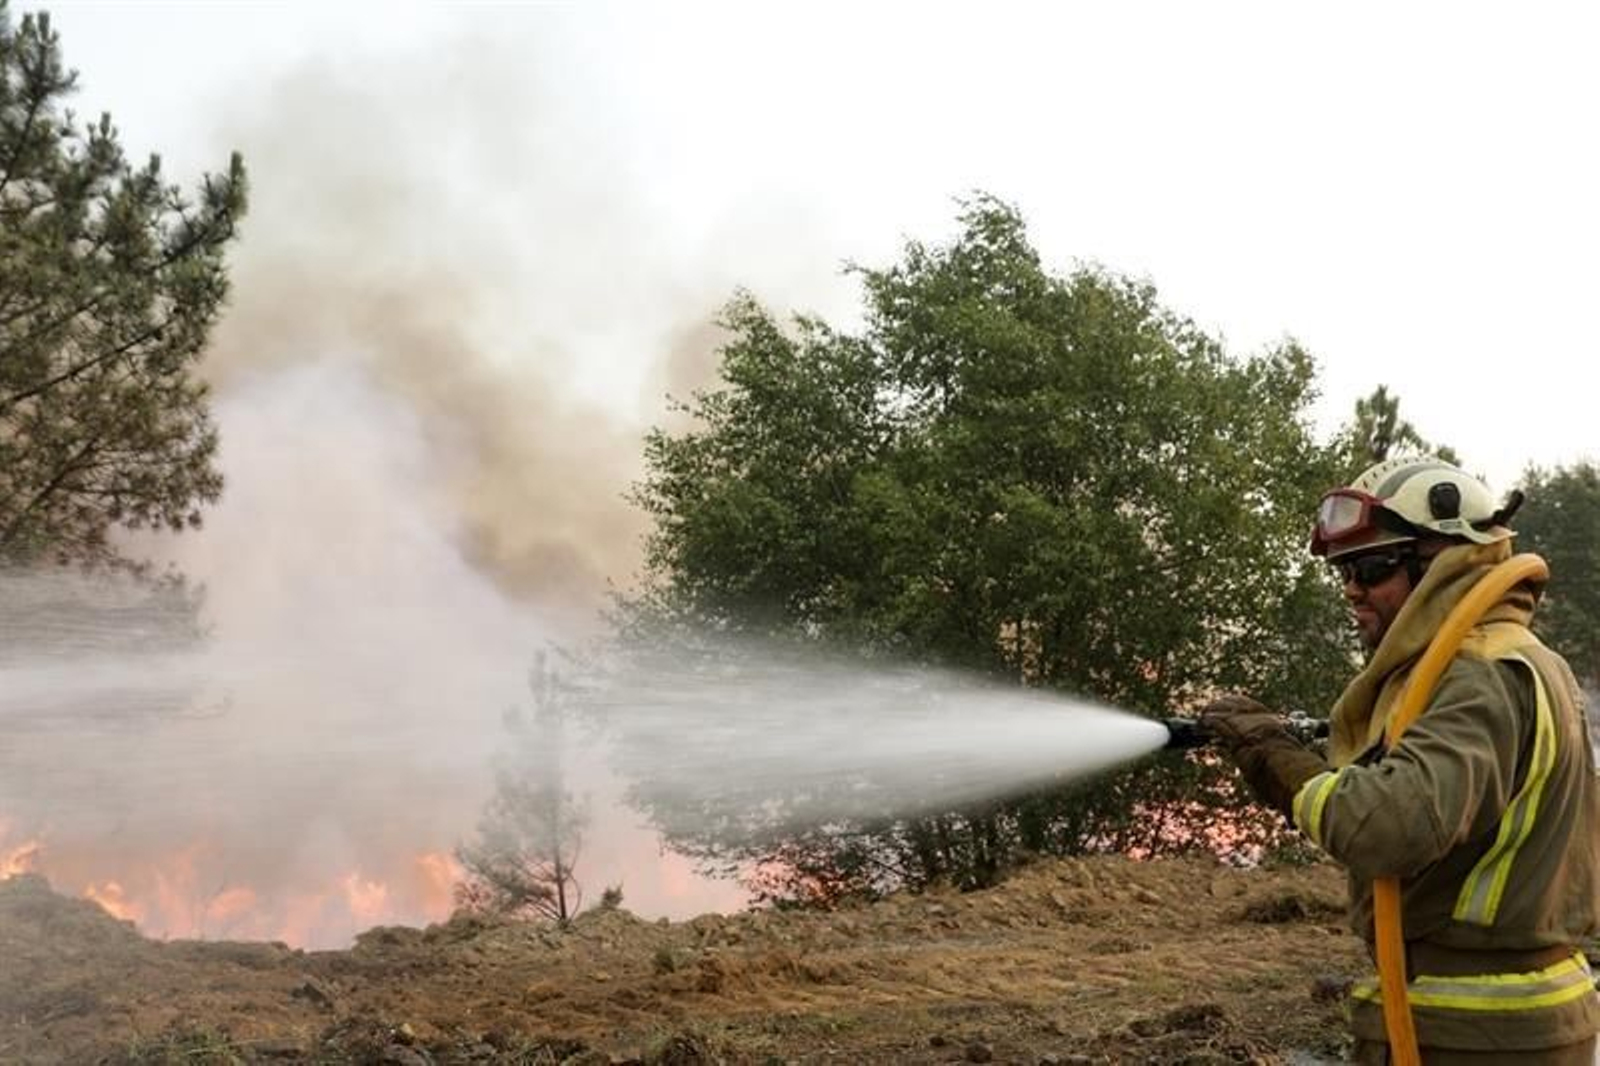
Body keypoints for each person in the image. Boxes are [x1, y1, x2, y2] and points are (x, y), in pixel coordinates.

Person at [1202, 455, 1600, 1063]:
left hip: (1470, 1034)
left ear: (1446, 562)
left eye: (1372, 568)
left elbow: (1390, 827)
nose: (1352, 589)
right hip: (1501, 1021)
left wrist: (1274, 758)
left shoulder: (1478, 674)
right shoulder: (1521, 659)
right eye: (1345, 572)